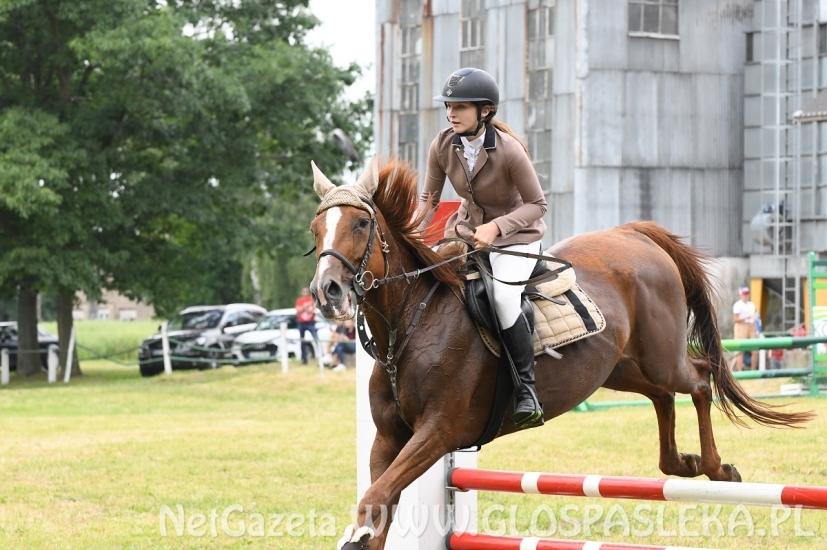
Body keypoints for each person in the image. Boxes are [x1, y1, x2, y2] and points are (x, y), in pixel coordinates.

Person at [415, 67, 547, 430]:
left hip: (517, 240)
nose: (450, 113)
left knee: (504, 299)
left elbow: (538, 205)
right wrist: (411, 235)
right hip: (466, 234)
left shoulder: (509, 152)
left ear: (485, 111)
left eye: (460, 106)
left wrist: (497, 226)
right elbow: (428, 198)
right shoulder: (442, 145)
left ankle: (526, 391)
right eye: (448, 106)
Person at [732, 287, 758, 371]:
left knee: (755, 350)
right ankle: (740, 371)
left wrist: (755, 329)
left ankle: (753, 370)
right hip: (741, 326)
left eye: (747, 294)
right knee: (740, 350)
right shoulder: (737, 305)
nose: (746, 296)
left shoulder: (752, 305)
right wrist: (747, 317)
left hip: (751, 325)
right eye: (744, 294)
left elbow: (754, 317)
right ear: (741, 295)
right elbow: (736, 319)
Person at [295, 287, 318, 364]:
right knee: (302, 341)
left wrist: (307, 309)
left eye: (307, 291)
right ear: (302, 292)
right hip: (302, 322)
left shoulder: (312, 300)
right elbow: (298, 310)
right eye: (304, 292)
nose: (306, 293)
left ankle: (321, 356)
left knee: (316, 338)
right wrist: (305, 307)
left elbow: (312, 310)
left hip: (311, 322)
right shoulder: (299, 301)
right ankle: (304, 359)